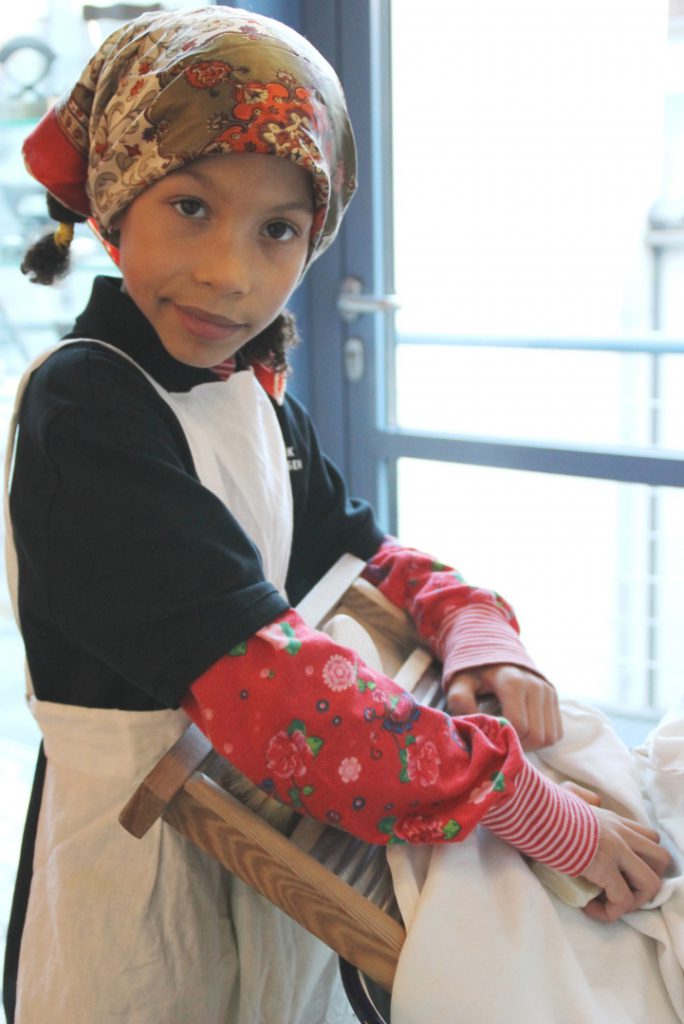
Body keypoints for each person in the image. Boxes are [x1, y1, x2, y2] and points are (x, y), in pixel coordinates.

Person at [3, 6, 670, 1023]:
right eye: (190, 205)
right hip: (138, 889)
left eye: (278, 230)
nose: (233, 272)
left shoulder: (244, 389)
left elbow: (362, 549)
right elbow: (271, 691)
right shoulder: (89, 410)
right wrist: (529, 805)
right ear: (115, 197)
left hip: (260, 845)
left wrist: (471, 624)